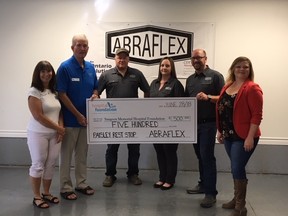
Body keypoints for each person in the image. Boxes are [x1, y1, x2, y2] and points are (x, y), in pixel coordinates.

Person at [95, 47, 150, 187]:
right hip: (113, 119)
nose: (122, 59)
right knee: (112, 148)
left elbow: (148, 91)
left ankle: (133, 174)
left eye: (125, 57)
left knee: (134, 149)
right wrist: (95, 96)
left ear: (128, 59)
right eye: (119, 57)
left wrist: (146, 108)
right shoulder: (106, 75)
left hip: (133, 119)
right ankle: (110, 175)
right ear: (115, 59)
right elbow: (97, 92)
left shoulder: (137, 74)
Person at [216, 57, 263, 216]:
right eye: (238, 66)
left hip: (244, 136)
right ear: (233, 68)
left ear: (250, 70)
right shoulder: (228, 86)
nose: (242, 69)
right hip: (229, 134)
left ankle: (240, 206)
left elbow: (257, 115)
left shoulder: (252, 88)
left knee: (237, 167)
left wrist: (250, 137)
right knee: (235, 167)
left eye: (246, 67)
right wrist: (220, 130)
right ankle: (236, 199)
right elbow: (223, 108)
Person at [56, 34, 98, 200]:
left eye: (85, 45)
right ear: (72, 47)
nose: (82, 48)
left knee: (82, 155)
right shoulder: (65, 67)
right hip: (70, 121)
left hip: (86, 122)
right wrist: (78, 115)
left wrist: (95, 95)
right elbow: (62, 94)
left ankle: (81, 183)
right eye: (79, 45)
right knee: (66, 156)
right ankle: (65, 187)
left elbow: (95, 87)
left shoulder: (90, 68)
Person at [185, 49, 225, 208]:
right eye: (193, 58)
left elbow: (224, 99)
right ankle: (202, 184)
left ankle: (210, 193)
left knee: (207, 157)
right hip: (193, 124)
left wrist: (208, 97)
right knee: (200, 156)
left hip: (209, 124)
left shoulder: (216, 76)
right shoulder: (189, 79)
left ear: (205, 59)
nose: (196, 60)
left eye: (199, 58)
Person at [27, 60, 65, 208]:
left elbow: (60, 111)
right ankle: (36, 196)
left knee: (51, 164)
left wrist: (60, 128)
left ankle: (46, 193)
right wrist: (58, 128)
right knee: (38, 164)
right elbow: (38, 116)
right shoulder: (34, 92)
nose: (46, 74)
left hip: (55, 133)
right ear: (38, 74)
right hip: (38, 133)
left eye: (49, 71)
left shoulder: (54, 91)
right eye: (42, 71)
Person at [150, 57, 184, 190]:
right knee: (159, 151)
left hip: (171, 125)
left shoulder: (176, 84)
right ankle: (162, 177)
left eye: (167, 66)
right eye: (162, 65)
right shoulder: (154, 83)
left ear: (172, 68)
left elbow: (181, 106)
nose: (164, 68)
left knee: (169, 152)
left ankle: (170, 179)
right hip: (155, 125)